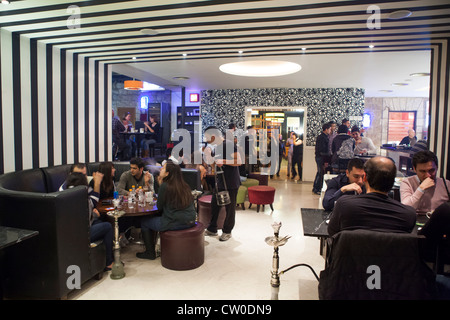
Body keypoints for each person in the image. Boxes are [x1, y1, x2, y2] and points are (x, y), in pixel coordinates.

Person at [328, 156, 416, 237]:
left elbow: (332, 233)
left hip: (353, 253)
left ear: (365, 177)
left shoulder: (344, 205)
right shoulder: (409, 215)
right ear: (394, 180)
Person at [136, 160, 196, 260]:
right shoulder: (184, 185)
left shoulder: (165, 185)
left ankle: (150, 252)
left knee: (145, 222)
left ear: (167, 173)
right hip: (191, 220)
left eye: (163, 168)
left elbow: (159, 207)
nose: (160, 169)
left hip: (175, 222)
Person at [65, 171, 114, 271]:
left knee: (100, 223)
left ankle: (103, 258)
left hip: (67, 233)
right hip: (82, 233)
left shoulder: (64, 195)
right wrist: (95, 214)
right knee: (108, 226)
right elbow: (87, 220)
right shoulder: (83, 198)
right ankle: (109, 262)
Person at [204, 126, 241, 241]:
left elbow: (239, 161)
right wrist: (208, 157)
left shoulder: (228, 144)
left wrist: (224, 161)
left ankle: (227, 231)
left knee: (229, 208)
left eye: (207, 137)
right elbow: (214, 165)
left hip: (230, 182)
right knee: (215, 205)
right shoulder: (217, 147)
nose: (206, 139)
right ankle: (212, 229)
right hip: (220, 182)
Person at [400, 150, 450, 215]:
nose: (428, 175)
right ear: (414, 169)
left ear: (437, 168)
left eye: (431, 170)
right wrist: (421, 188)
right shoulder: (407, 182)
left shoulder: (446, 184)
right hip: (415, 220)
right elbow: (406, 208)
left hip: (438, 220)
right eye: (423, 171)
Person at [312, 123, 332, 195]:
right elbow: (322, 150)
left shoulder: (322, 137)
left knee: (319, 172)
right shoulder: (322, 138)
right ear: (326, 129)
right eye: (329, 129)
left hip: (319, 157)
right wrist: (326, 160)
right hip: (321, 157)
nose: (330, 131)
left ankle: (315, 187)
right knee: (320, 173)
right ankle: (317, 188)